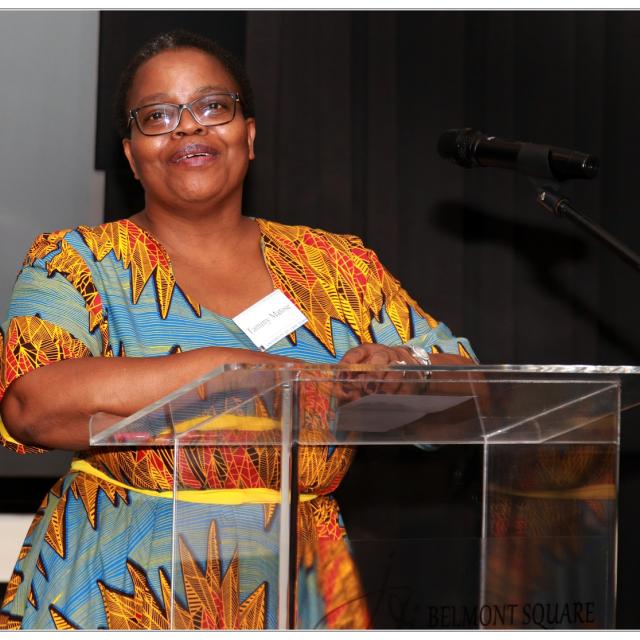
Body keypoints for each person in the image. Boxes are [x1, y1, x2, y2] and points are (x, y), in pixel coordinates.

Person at [0, 30, 476, 630]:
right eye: (158, 116)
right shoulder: (77, 261)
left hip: (298, 588)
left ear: (248, 136)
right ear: (131, 156)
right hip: (118, 585)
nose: (187, 128)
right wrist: (226, 372)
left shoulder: (337, 266)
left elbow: (473, 392)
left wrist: (405, 372)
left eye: (211, 106)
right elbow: (31, 404)